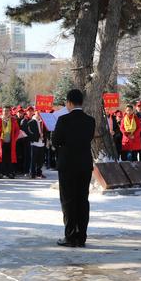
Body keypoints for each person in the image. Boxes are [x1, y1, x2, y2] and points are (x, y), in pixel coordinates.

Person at [52, 89, 96, 248]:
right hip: (84, 164)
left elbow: (56, 141)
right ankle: (81, 236)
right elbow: (89, 138)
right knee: (82, 200)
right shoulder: (90, 120)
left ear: (69, 102)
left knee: (68, 200)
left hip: (68, 165)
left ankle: (70, 236)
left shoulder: (63, 119)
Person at [27, 111, 46, 178]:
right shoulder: (31, 122)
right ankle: (32, 173)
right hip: (34, 143)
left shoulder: (43, 122)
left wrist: (44, 137)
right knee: (33, 159)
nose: (39, 114)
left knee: (40, 160)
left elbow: (45, 131)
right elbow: (30, 133)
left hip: (42, 143)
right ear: (35, 112)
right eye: (38, 113)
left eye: (41, 113)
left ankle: (39, 173)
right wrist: (38, 136)